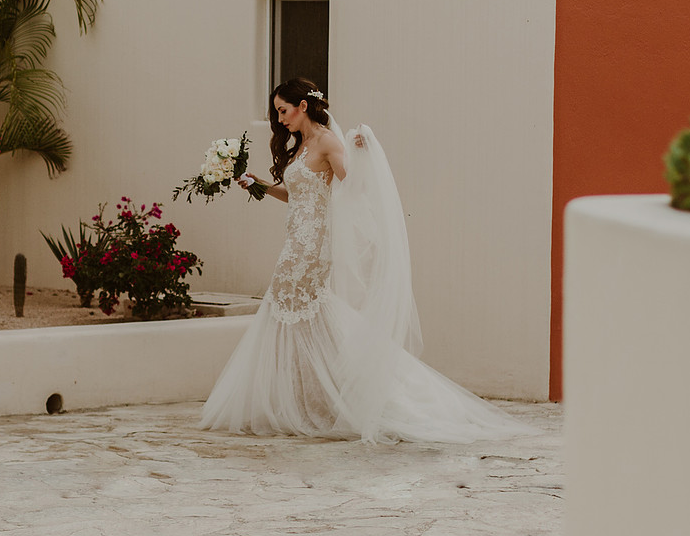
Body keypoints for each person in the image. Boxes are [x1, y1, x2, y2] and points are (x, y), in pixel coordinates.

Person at [200, 78, 526, 442]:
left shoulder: (327, 141)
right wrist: (259, 184)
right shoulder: (302, 145)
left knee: (307, 313)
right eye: (277, 113)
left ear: (303, 106)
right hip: (294, 242)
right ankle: (305, 401)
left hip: (313, 247)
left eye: (283, 111)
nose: (280, 120)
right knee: (291, 315)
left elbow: (353, 187)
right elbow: (295, 196)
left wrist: (363, 153)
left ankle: (347, 398)